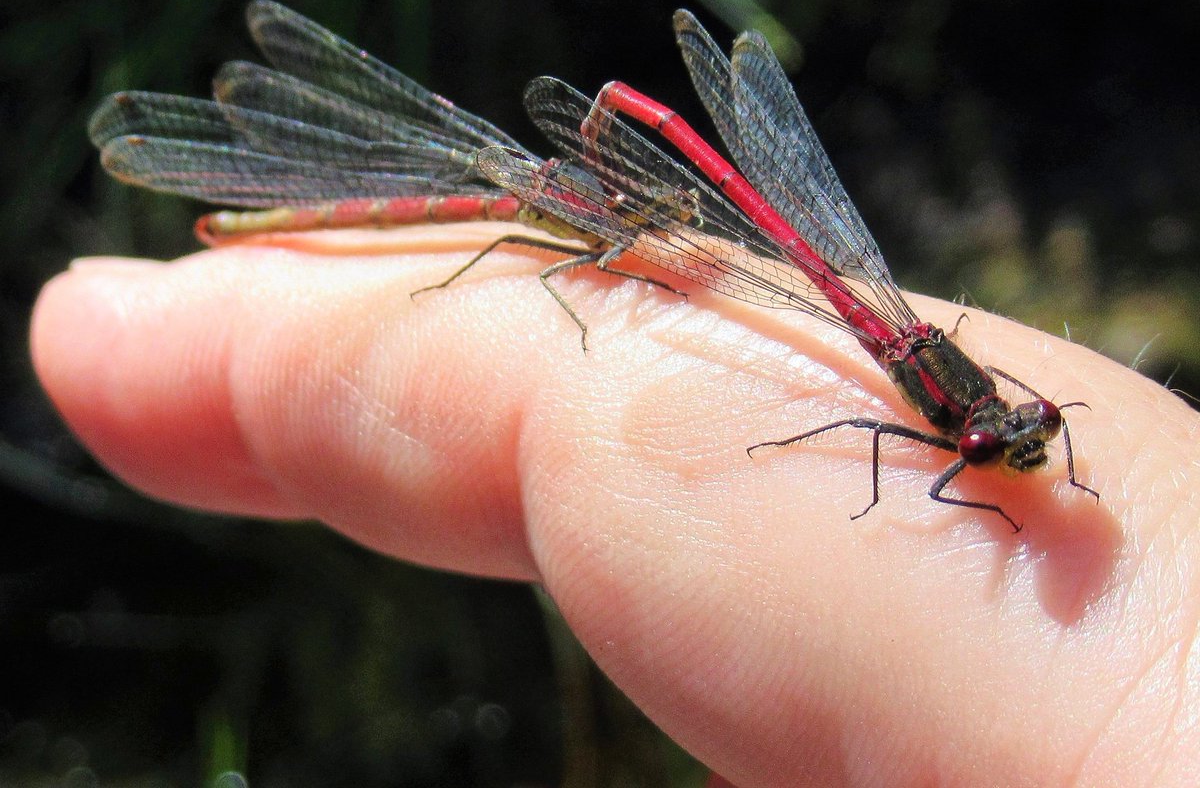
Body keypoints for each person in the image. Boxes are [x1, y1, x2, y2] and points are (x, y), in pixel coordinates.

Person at [30, 228, 1200, 786]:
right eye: (1013, 442)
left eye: (1025, 442)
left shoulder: (1001, 413)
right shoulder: (949, 423)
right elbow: (913, 458)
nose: (1025, 450)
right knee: (849, 430)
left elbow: (1034, 428)